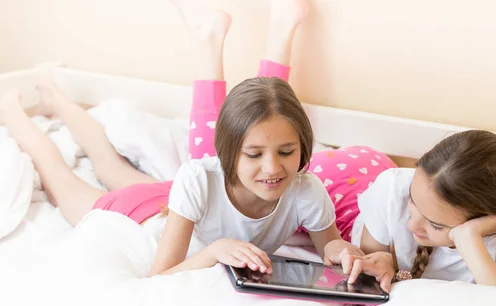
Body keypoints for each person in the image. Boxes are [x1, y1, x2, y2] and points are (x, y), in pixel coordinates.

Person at [0, 0, 361, 277]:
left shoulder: (306, 190)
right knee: (61, 174)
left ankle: (54, 99)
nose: (273, 168)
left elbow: (329, 246)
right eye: (253, 154)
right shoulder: (199, 178)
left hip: (171, 201)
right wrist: (213, 251)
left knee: (108, 162)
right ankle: (17, 109)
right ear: (228, 153)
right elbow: (161, 276)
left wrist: (342, 252)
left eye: (286, 151)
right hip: (140, 216)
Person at [336, 130, 496, 292]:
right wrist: (383, 262)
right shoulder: (393, 189)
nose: (412, 225)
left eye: (436, 225)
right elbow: (367, 270)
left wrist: (469, 240)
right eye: (413, 201)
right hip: (352, 185)